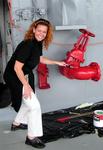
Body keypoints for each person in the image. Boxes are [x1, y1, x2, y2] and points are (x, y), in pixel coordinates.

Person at [3, 18, 66, 148]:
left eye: (44, 32)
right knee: (34, 106)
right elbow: (16, 68)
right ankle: (31, 137)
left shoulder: (38, 43)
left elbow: (40, 59)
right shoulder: (28, 44)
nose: (41, 34)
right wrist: (25, 86)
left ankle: (17, 123)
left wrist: (57, 62)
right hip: (14, 76)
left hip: (25, 74)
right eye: (39, 31)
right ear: (34, 30)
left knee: (29, 102)